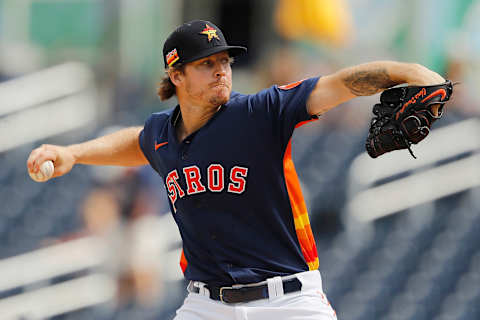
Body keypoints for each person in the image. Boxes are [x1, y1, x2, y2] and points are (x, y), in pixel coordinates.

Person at [27, 20, 445, 320]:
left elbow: (336, 84)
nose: (221, 70)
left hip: (288, 302)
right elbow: (135, 143)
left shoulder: (259, 112)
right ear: (176, 76)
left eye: (224, 60)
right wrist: (74, 153)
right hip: (205, 305)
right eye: (207, 64)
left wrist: (406, 72)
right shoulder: (161, 134)